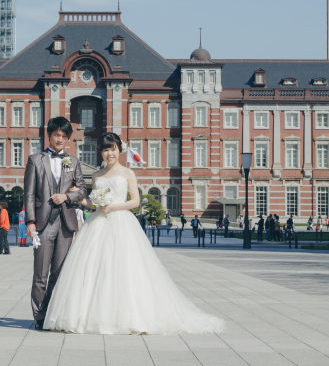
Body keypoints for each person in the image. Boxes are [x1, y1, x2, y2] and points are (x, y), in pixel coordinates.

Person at [43, 132, 225, 334]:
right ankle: (92, 316)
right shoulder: (96, 175)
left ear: (119, 150)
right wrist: (73, 197)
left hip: (121, 222)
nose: (109, 153)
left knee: (125, 269)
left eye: (112, 149)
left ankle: (130, 316)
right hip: (97, 223)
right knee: (95, 268)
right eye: (105, 149)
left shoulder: (128, 173)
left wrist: (114, 207)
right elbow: (93, 202)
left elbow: (136, 202)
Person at [24, 117, 88, 330]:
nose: (60, 139)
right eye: (56, 135)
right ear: (49, 135)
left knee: (60, 273)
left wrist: (67, 197)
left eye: (64, 136)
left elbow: (82, 190)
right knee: (40, 274)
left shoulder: (73, 161)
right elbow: (30, 194)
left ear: (68, 138)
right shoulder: (35, 159)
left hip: (66, 224)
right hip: (42, 224)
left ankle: (52, 312)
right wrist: (30, 221)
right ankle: (39, 316)